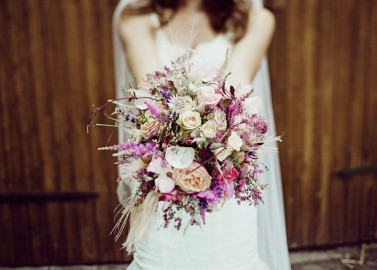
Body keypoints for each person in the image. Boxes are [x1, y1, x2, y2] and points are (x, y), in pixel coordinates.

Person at [112, 0, 291, 269]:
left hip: (226, 174)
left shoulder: (256, 20)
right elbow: (149, 90)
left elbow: (236, 88)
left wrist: (209, 133)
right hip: (164, 175)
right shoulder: (136, 19)